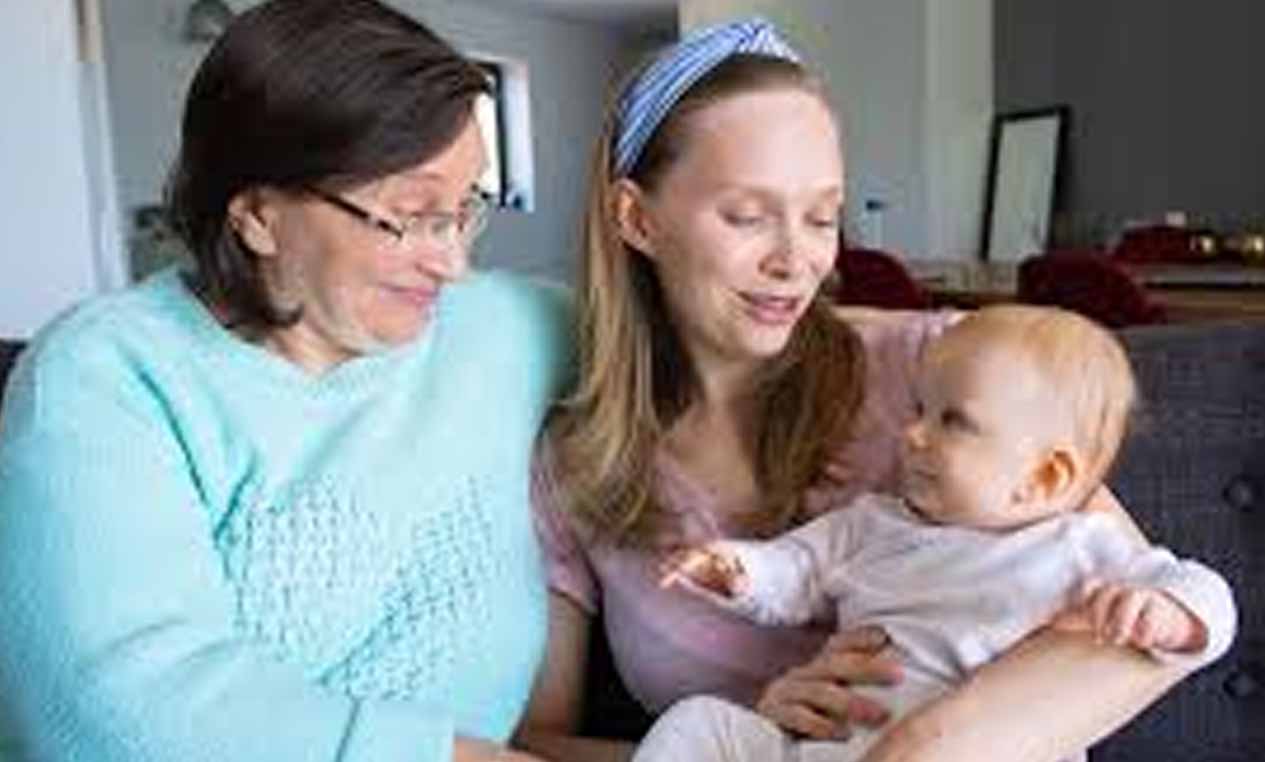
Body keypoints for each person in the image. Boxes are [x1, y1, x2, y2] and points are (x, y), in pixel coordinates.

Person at [516, 17, 1230, 762]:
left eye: (822, 218)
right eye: (746, 216)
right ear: (637, 218)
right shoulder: (574, 467)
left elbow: (1143, 642)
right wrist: (745, 737)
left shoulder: (947, 369)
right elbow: (539, 741)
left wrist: (913, 746)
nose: (796, 260)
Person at [0, 1, 567, 760]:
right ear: (259, 217)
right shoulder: (104, 375)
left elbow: (672, 329)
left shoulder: (502, 329)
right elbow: (120, 709)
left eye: (464, 210)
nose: (453, 262)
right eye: (411, 215)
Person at [636, 305, 1236, 762]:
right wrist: (736, 570)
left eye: (953, 422)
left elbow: (1207, 592)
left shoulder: (1079, 548)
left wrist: (1169, 614)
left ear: (1044, 477)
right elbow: (795, 570)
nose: (913, 435)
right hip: (827, 747)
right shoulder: (873, 523)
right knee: (699, 725)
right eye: (918, 410)